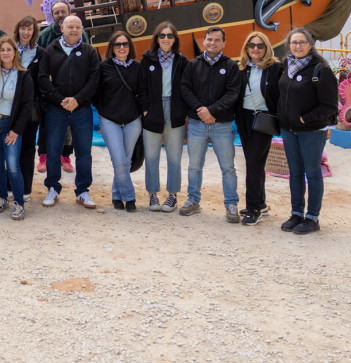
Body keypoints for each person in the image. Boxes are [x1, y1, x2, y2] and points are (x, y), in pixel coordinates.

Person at [277, 28, 338, 235]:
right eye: (294, 42)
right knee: (294, 172)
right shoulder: (286, 65)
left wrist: (305, 118)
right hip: (288, 129)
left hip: (311, 130)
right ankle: (296, 213)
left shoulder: (320, 70)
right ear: (289, 45)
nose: (298, 46)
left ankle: (312, 217)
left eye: (302, 42)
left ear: (310, 44)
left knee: (312, 172)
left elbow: (330, 105)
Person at [179, 27, 243, 222]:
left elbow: (233, 93)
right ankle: (193, 200)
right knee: (194, 166)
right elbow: (185, 88)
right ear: (204, 41)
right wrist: (201, 110)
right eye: (209, 39)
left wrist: (211, 111)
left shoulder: (231, 66)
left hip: (222, 125)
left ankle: (231, 205)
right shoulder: (193, 64)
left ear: (224, 43)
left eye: (217, 40)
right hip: (197, 125)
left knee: (228, 168)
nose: (212, 43)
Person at [39, 15, 100, 210]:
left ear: (82, 29)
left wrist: (77, 100)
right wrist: (59, 100)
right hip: (56, 109)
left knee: (84, 153)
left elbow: (94, 80)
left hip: (81, 110)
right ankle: (53, 188)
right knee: (53, 151)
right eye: (70, 27)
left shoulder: (89, 51)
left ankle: (82, 191)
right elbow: (42, 79)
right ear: (62, 29)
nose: (74, 30)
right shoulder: (51, 50)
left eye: (77, 27)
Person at [138, 22, 187, 213]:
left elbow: (187, 87)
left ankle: (172, 195)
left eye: (169, 36)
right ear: (156, 39)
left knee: (174, 156)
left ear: (175, 39)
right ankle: (152, 194)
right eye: (162, 35)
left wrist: (183, 111)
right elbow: (141, 86)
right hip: (153, 109)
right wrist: (145, 109)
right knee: (151, 155)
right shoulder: (147, 59)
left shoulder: (181, 61)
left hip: (174, 110)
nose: (166, 39)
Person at [235, 31, 282, 226]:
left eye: (260, 45)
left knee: (253, 164)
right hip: (244, 118)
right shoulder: (242, 68)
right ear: (246, 47)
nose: (256, 49)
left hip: (263, 119)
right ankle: (260, 203)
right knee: (255, 163)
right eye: (252, 45)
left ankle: (253, 209)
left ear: (267, 48)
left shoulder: (276, 68)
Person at [0, 35, 34, 220]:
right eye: (2, 50)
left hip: (11, 125)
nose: (5, 53)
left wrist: (16, 130)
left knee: (13, 166)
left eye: (9, 49)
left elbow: (27, 105)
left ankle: (19, 204)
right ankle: (2, 198)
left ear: (15, 52)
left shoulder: (24, 75)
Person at [96, 31, 143, 212]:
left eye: (125, 44)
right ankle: (129, 197)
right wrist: (103, 112)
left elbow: (143, 91)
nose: (122, 48)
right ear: (112, 48)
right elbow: (96, 92)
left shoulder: (137, 67)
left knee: (126, 160)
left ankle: (116, 194)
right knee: (119, 160)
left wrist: (140, 112)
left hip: (132, 120)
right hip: (110, 121)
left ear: (130, 47)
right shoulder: (104, 67)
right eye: (118, 45)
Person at [35, 1, 79, 174]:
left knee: (70, 125)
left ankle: (65, 155)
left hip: (72, 90)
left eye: (63, 11)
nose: (60, 15)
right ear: (52, 16)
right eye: (56, 13)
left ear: (69, 12)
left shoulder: (80, 34)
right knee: (46, 123)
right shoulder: (45, 35)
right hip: (49, 91)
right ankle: (44, 155)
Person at [13, 16, 46, 202]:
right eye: (23, 28)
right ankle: (10, 185)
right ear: (18, 29)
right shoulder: (9, 49)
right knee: (10, 148)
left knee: (27, 148)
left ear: (34, 32)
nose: (26, 32)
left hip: (30, 107)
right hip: (9, 107)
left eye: (30, 29)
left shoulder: (40, 53)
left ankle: (25, 188)